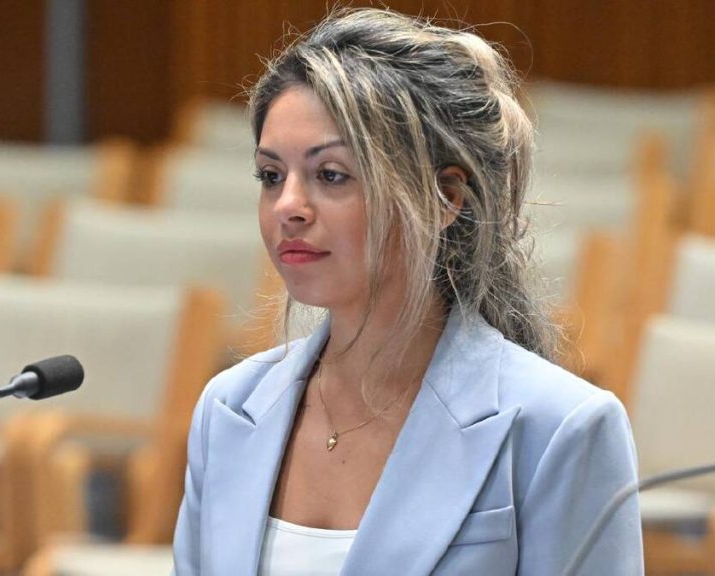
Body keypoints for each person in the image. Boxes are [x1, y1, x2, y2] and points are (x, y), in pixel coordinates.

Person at [173, 8, 642, 575]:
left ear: (446, 199)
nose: (288, 206)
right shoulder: (227, 409)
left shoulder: (562, 427)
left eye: (331, 175)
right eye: (271, 176)